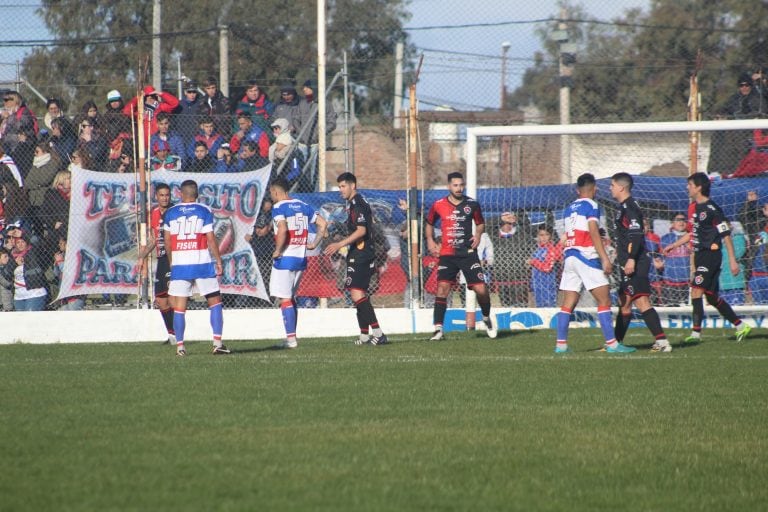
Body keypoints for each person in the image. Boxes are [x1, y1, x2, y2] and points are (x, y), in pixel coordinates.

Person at [662, 172, 751, 343]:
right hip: (700, 255)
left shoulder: (713, 210)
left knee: (696, 290)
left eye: (690, 185)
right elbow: (691, 233)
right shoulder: (692, 208)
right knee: (710, 296)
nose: (687, 188)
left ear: (699, 187)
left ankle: (695, 334)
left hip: (711, 255)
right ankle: (740, 325)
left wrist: (732, 260)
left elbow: (726, 236)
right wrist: (674, 245)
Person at [555, 173, 636, 354]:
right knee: (604, 299)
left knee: (568, 302)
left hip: (570, 256)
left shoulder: (568, 208)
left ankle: (561, 345)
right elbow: (592, 230)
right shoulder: (592, 205)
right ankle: (612, 344)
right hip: (586, 256)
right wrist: (605, 258)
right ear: (595, 188)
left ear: (578, 190)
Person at [424, 171, 497, 340]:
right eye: (455, 185)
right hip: (447, 254)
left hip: (467, 253)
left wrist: (478, 236)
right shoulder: (438, 204)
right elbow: (429, 223)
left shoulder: (472, 204)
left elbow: (480, 223)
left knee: (481, 289)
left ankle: (486, 317)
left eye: (461, 185)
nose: (459, 188)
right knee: (442, 289)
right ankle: (438, 329)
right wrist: (429, 240)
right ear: (449, 186)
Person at [162, 179, 229, 356]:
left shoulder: (170, 212)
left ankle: (181, 347)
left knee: (180, 306)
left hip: (180, 264)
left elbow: (167, 241)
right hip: (201, 263)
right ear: (197, 195)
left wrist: (172, 261)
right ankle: (217, 343)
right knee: (215, 301)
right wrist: (219, 261)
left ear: (181, 194)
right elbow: (210, 238)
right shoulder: (204, 210)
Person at [323, 172, 389, 345]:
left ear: (353, 186)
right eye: (339, 187)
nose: (341, 190)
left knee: (357, 293)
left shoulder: (357, 204)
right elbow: (353, 228)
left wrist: (339, 245)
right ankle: (364, 335)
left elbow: (361, 231)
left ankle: (379, 333)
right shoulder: (353, 204)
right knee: (358, 293)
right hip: (360, 253)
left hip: (361, 253)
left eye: (343, 186)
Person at [609, 172, 672, 352]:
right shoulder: (624, 207)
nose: (610, 188)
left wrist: (631, 259)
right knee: (625, 303)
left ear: (621, 187)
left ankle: (662, 342)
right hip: (628, 262)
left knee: (642, 301)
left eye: (612, 185)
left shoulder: (629, 207)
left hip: (634, 262)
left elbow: (636, 235)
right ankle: (615, 343)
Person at [269, 177, 327, 348]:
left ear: (276, 191)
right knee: (290, 298)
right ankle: (292, 337)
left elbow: (283, 229)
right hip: (301, 258)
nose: (271, 195)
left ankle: (291, 340)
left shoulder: (278, 207)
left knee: (284, 298)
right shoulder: (303, 205)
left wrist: (278, 250)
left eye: (271, 192)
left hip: (285, 258)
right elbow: (323, 224)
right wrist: (314, 244)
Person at [138, 183, 176, 344]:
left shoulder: (175, 212)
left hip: (173, 258)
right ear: (157, 197)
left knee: (173, 298)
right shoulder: (154, 213)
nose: (165, 198)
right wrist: (143, 255)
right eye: (162, 195)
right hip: (161, 259)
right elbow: (154, 238)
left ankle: (178, 335)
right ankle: (172, 335)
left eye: (167, 195)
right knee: (161, 301)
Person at [658, 213, 691, 306]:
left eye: (683, 220)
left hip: (688, 282)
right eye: (678, 220)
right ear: (672, 223)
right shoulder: (665, 239)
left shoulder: (692, 238)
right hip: (670, 283)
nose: (681, 222)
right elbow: (660, 257)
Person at [527, 225, 561, 307]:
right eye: (541, 235)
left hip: (548, 285)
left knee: (549, 307)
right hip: (537, 285)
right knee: (539, 308)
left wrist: (533, 262)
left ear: (551, 236)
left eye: (546, 235)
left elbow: (547, 268)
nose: (544, 237)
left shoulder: (552, 249)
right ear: (537, 236)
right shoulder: (537, 249)